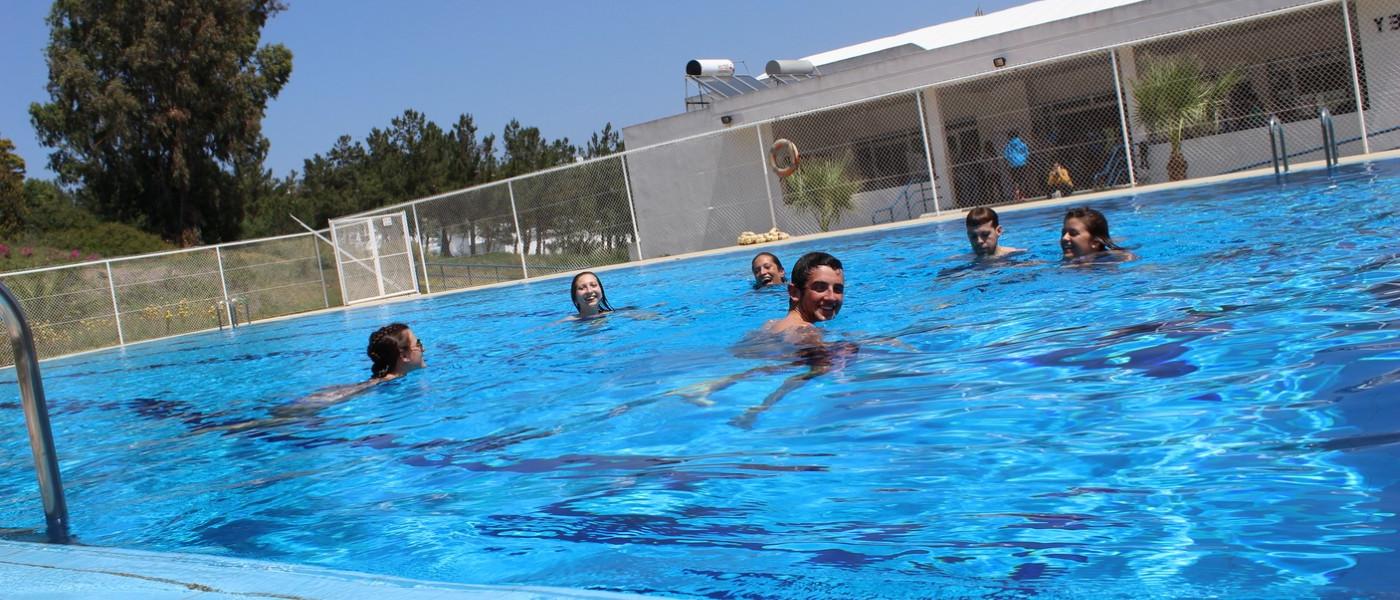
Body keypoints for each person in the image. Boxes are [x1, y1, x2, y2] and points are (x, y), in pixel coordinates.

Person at [764, 251, 844, 339]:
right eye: (820, 288)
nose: (831, 297)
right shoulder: (806, 333)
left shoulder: (771, 325)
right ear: (794, 292)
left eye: (838, 289)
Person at [1060, 207, 1131, 261]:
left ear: (1095, 243)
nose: (1064, 238)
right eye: (1063, 233)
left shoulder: (1111, 261)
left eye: (1073, 233)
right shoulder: (1064, 263)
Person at [1003, 131, 1030, 201]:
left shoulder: (1008, 145)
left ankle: (1017, 194)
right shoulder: (1021, 143)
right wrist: (1025, 159)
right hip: (1022, 163)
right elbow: (1026, 153)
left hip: (1013, 164)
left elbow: (1006, 155)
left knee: (1015, 181)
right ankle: (1023, 195)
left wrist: (1008, 163)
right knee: (1023, 180)